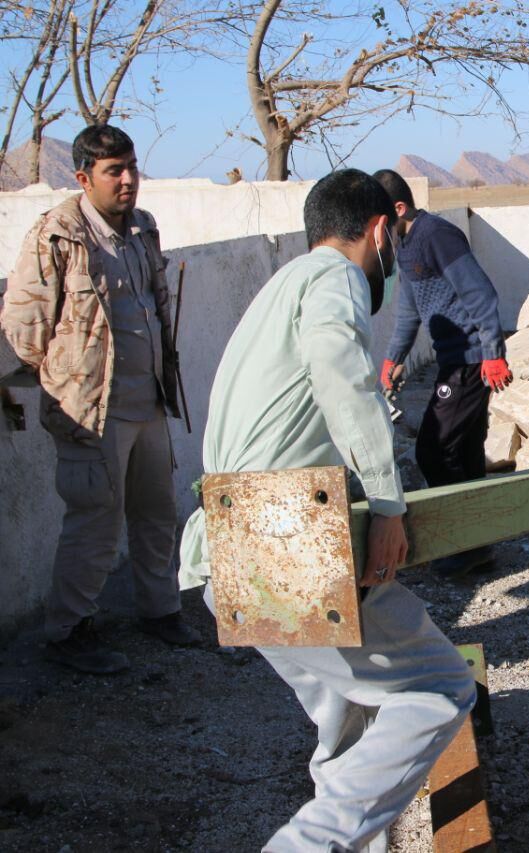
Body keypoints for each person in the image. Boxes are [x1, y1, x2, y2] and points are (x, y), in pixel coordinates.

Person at [177, 169, 475, 850]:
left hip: (230, 539)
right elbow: (344, 379)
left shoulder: (279, 288)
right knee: (438, 688)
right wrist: (390, 503)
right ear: (378, 230)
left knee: (343, 709)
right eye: (391, 243)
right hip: (283, 532)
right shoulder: (334, 279)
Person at [1, 124, 197, 674]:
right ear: (84, 177)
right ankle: (69, 631)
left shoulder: (142, 228)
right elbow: (24, 329)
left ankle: (159, 612)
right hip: (92, 412)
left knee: (156, 514)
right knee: (94, 523)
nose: (129, 180)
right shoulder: (57, 234)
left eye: (132, 167)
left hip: (150, 401)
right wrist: (68, 375)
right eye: (115, 172)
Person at [373, 168, 512, 578]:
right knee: (465, 451)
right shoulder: (405, 242)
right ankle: (475, 546)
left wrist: (492, 352)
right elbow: (409, 309)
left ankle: (461, 541)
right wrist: (393, 357)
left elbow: (479, 292)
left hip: (471, 360)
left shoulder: (435, 235)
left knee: (433, 450)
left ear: (399, 207)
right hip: (452, 359)